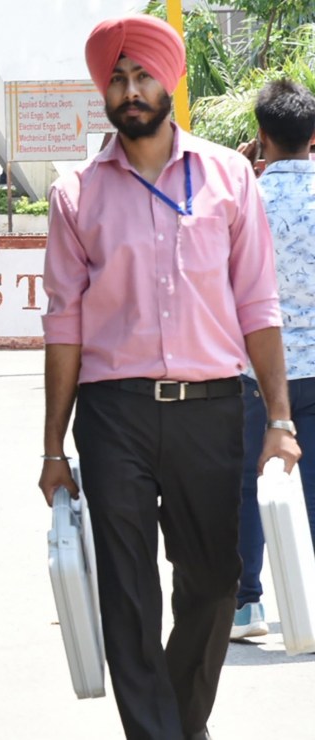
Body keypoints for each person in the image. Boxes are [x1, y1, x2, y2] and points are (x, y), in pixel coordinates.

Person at [38, 15, 300, 740]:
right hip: (112, 412)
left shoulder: (229, 177)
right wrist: (53, 447)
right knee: (127, 592)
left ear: (170, 82)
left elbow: (258, 305)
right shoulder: (76, 193)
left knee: (215, 584)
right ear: (105, 91)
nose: (130, 91)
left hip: (212, 408)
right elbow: (64, 327)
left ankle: (179, 723)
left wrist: (279, 419)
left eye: (143, 75)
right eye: (117, 78)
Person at [230, 79, 315, 641]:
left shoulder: (245, 201)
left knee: (247, 484)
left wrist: (240, 173)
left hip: (258, 371)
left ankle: (246, 606)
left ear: (260, 135)